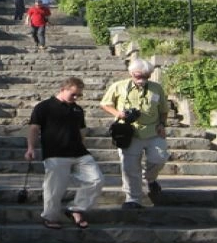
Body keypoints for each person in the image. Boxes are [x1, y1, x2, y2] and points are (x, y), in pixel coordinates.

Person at [25, 77, 104, 229]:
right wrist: (30, 148)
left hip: (80, 153)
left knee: (96, 180)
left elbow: (82, 131)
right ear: (63, 89)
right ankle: (50, 217)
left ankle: (75, 209)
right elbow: (34, 128)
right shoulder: (44, 107)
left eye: (79, 95)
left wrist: (83, 143)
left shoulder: (78, 109)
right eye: (73, 94)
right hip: (55, 154)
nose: (76, 98)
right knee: (54, 189)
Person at [99, 59, 170, 209]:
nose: (142, 79)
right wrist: (119, 113)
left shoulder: (156, 88)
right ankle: (133, 199)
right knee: (130, 167)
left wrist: (162, 124)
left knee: (159, 158)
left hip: (152, 130)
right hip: (128, 132)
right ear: (131, 73)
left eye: (146, 76)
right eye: (139, 76)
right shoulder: (118, 86)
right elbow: (105, 103)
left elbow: (163, 110)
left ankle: (150, 179)